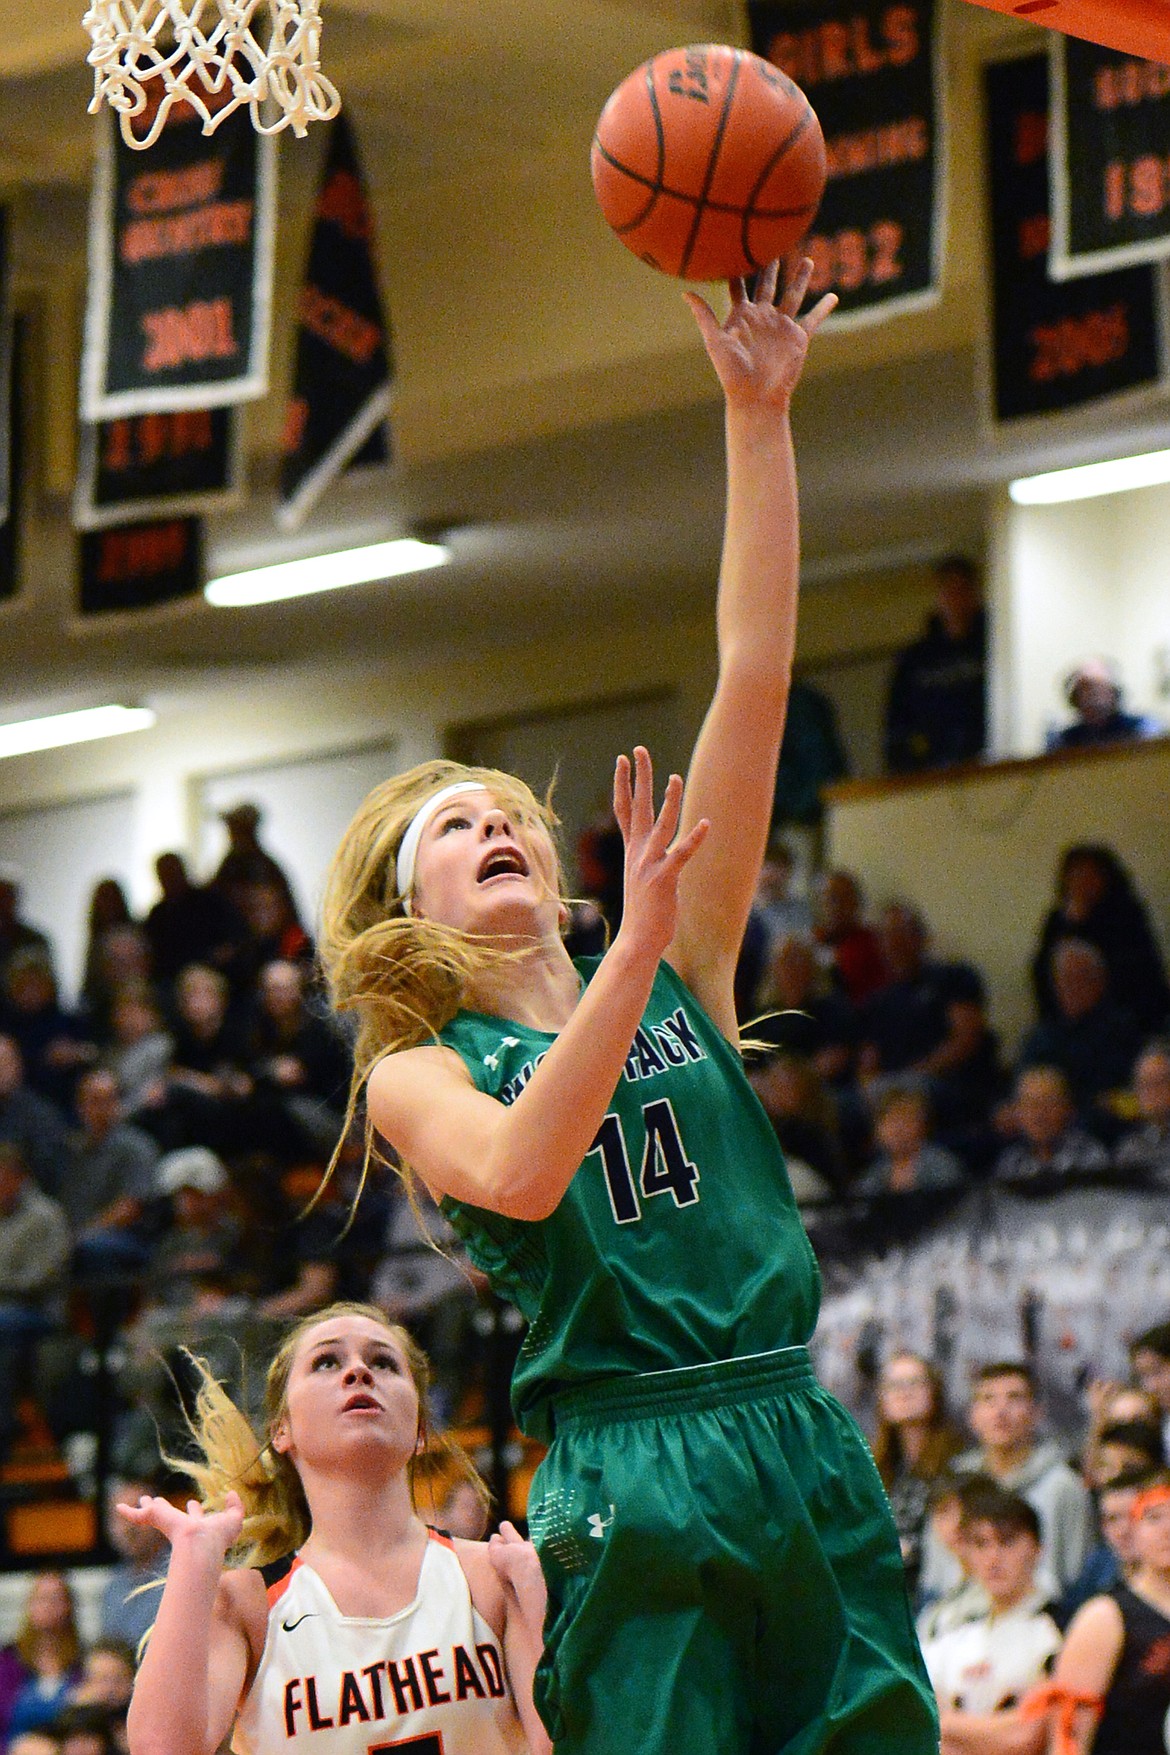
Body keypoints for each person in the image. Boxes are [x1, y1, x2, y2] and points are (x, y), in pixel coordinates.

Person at [318, 261, 937, 1755]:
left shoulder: (673, 965)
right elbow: (526, 1165)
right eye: (457, 829)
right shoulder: (418, 1067)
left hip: (794, 1422)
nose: (499, 827)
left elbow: (755, 671)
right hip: (627, 1457)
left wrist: (758, 413)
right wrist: (643, 933)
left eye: (509, 813)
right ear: (416, 913)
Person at [118, 1302, 551, 1755]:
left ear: (421, 1427)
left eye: (383, 1362)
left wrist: (540, 1607)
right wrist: (192, 1563)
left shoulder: (493, 1575)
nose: (360, 1371)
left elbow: (565, 1744)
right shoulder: (247, 1606)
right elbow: (161, 1749)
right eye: (327, 1362)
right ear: (281, 1430)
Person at [1038, 1469, 1170, 1754]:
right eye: (1154, 1517)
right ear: (1133, 1530)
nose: (1167, 1529)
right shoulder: (1105, 1616)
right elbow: (1067, 1739)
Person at [922, 1487, 1062, 1755]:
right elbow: (923, 1728)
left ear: (1037, 1549)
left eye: (1007, 1542)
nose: (993, 1558)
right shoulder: (953, 1634)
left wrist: (948, 1724)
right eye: (981, 1544)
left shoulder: (1057, 1628)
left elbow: (1027, 1734)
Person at [956, 1364, 1092, 1598]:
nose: (1001, 1411)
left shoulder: (1063, 1486)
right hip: (962, 1623)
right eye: (988, 1399)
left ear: (1036, 1412)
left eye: (1014, 1398)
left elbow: (1077, 1575)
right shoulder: (956, 1483)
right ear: (973, 1415)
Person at [1030, 846, 1170, 1037]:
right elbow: (1043, 973)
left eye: (1090, 875)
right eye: (1076, 875)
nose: (1082, 882)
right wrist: (1071, 926)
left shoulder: (1127, 916)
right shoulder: (1058, 921)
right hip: (1068, 1025)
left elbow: (1142, 974)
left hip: (1128, 1020)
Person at [871, 1352, 967, 1599]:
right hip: (884, 1591)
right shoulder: (875, 1467)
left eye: (915, 1383)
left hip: (937, 1591)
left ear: (934, 1392)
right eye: (894, 1385)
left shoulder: (958, 1465)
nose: (905, 1392)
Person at [884, 554, 988, 774]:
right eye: (949, 591)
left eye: (962, 590)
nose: (956, 599)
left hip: (989, 763)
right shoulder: (916, 661)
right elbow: (898, 726)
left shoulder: (993, 648)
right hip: (932, 772)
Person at [1045, 657, 1162, 754]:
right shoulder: (1064, 741)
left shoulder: (1142, 728)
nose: (1091, 695)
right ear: (1074, 698)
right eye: (1084, 688)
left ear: (1114, 692)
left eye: (1098, 686)